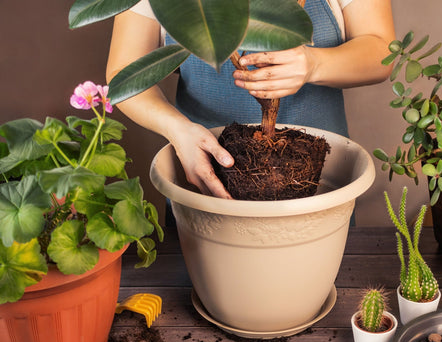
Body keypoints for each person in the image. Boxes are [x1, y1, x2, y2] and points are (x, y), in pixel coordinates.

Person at [106, 0, 395, 199]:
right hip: (204, 181)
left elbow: (382, 49)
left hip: (320, 188)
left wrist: (315, 64)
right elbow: (124, 74)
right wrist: (178, 130)